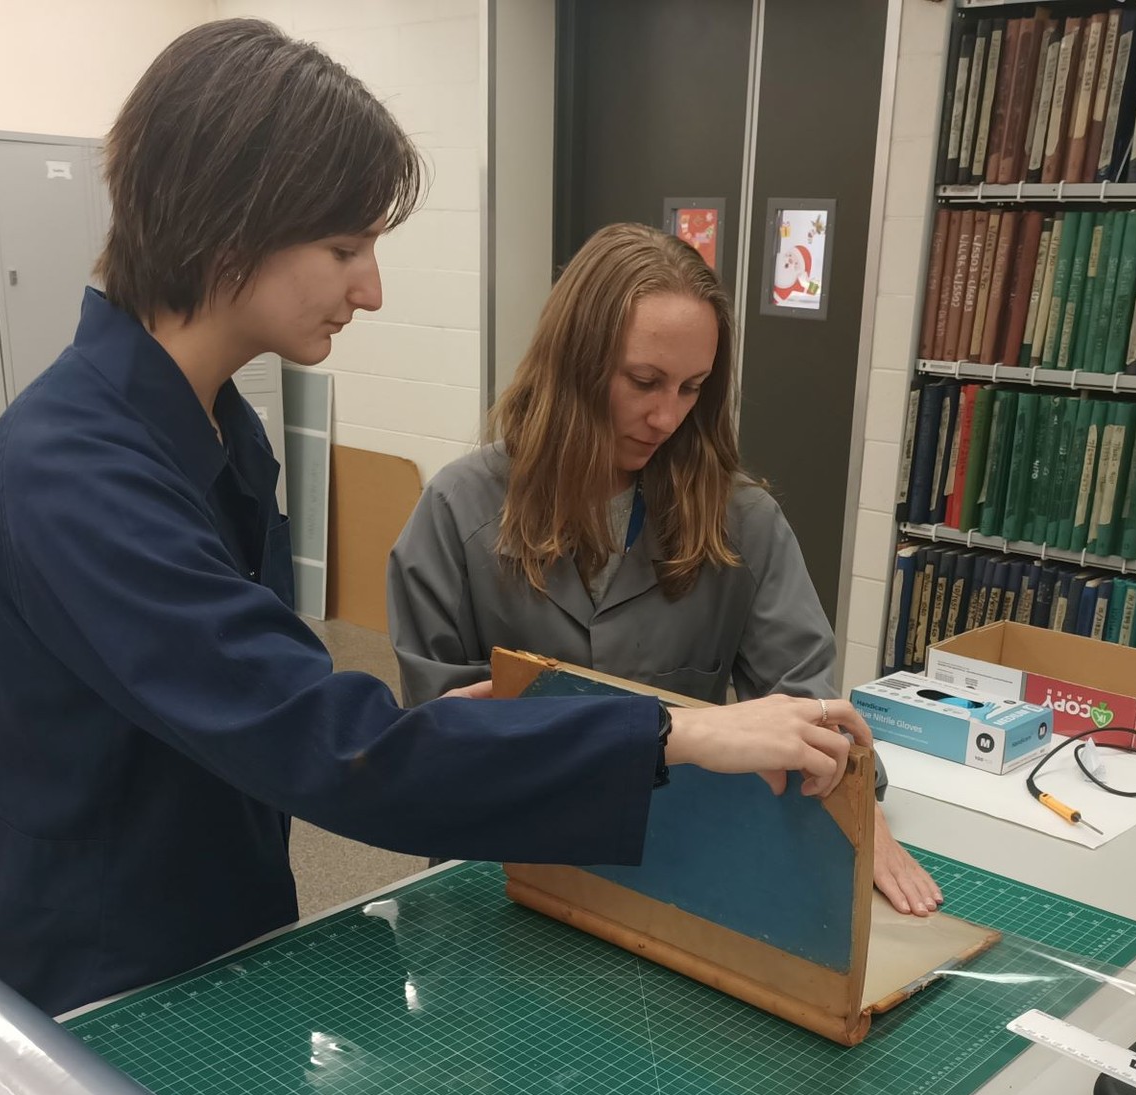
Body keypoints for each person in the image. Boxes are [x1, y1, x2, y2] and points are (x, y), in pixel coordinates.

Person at [0, 20, 876, 1017]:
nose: (373, 288)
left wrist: (444, 737)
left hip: (227, 933)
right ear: (226, 229)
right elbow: (327, 745)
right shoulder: (73, 470)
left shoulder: (220, 435)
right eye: (345, 246)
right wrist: (671, 736)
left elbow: (260, 708)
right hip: (99, 985)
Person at [388, 224, 942, 917]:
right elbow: (436, 752)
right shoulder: (454, 512)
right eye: (644, 381)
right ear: (573, 363)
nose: (666, 416)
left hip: (682, 873)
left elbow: (807, 705)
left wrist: (861, 811)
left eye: (692, 388)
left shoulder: (743, 521)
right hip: (501, 879)